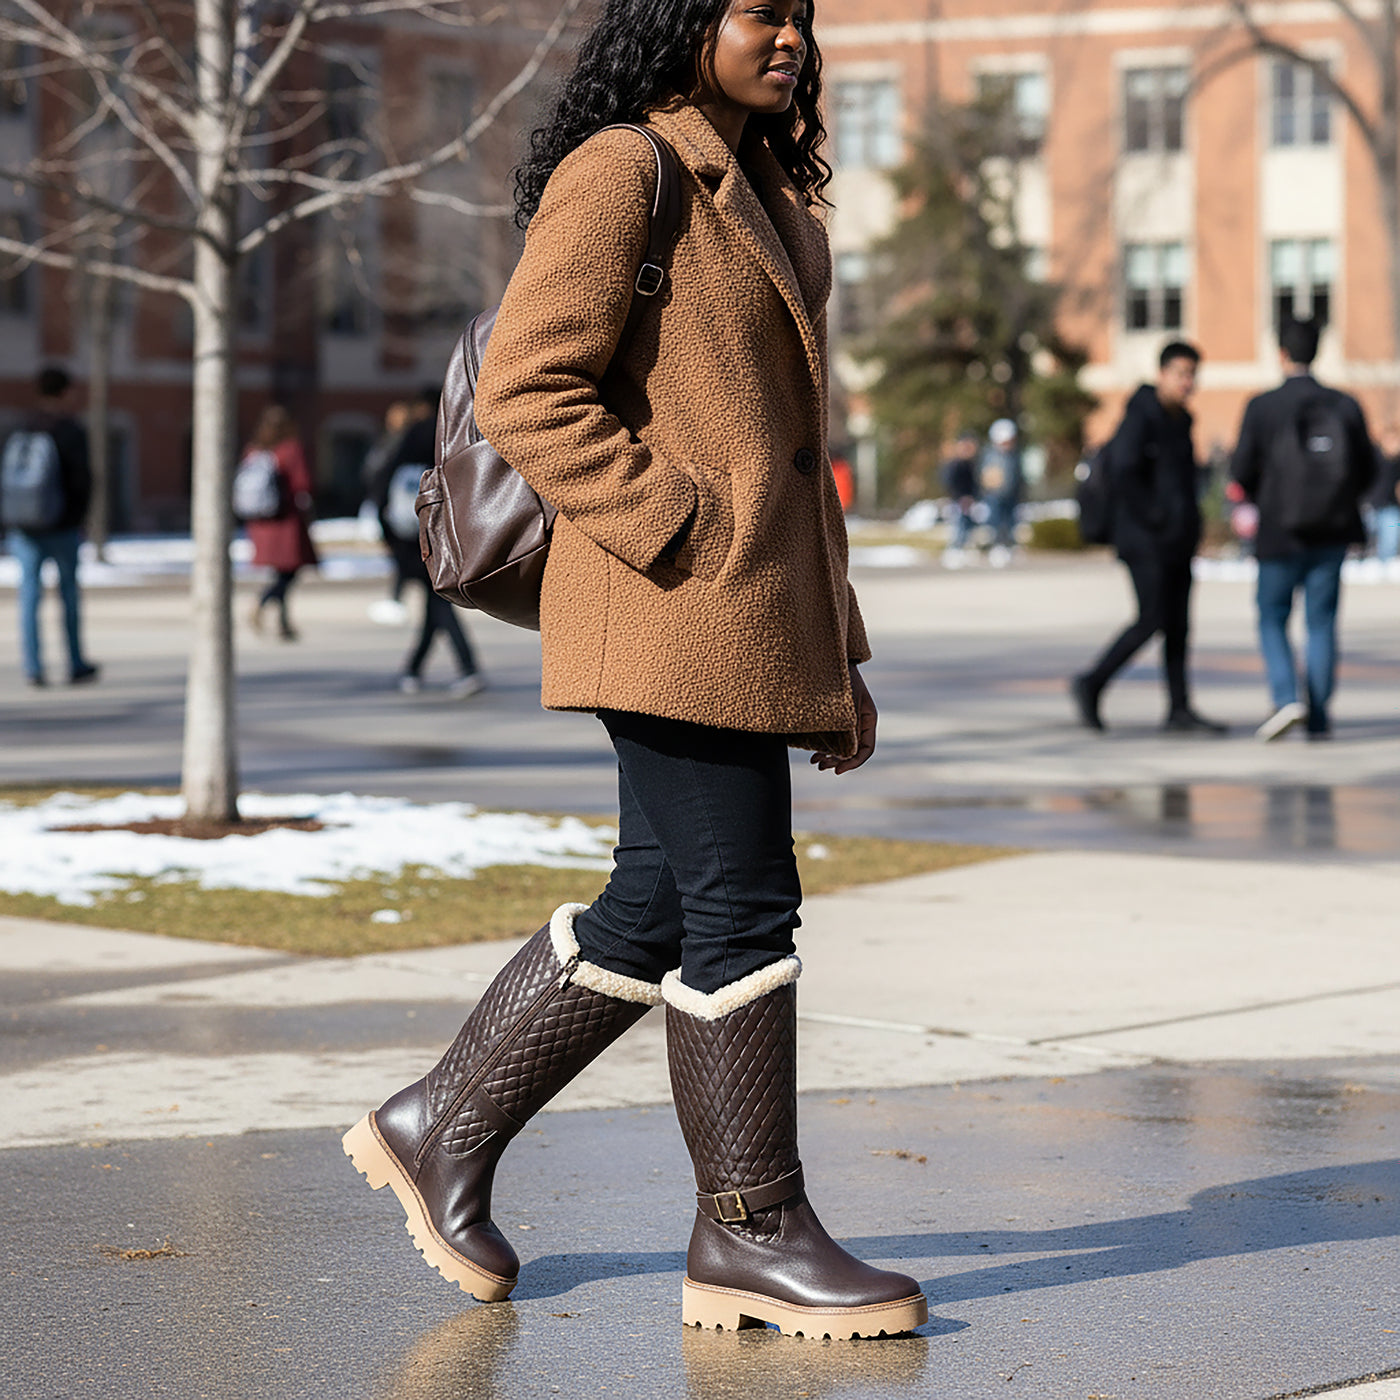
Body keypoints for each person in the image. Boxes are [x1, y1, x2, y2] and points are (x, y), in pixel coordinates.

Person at [341, 0, 927, 1342]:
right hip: (668, 603)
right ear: (682, 21)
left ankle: (438, 1127)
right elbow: (530, 389)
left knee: (656, 908)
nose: (788, 36)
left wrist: (836, 649)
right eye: (759, 12)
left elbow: (789, 464)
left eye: (801, 16)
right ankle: (750, 1229)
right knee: (742, 903)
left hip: (733, 612)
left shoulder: (763, 189)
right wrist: (678, 526)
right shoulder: (628, 169)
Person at [1230, 318, 1376, 742]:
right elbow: (1367, 469)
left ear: (1280, 353)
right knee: (1322, 622)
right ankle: (1318, 713)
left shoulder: (1263, 406)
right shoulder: (1344, 405)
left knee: (1272, 617)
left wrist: (1264, 499)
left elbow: (1241, 469)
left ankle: (1285, 695)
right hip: (1331, 531)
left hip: (1278, 532)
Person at [1071, 341, 1225, 734]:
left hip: (1177, 539)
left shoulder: (1183, 421)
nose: (1187, 383)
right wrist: (1157, 518)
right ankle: (1093, 682)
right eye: (1181, 374)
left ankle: (1179, 708)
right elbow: (1124, 474)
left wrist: (1189, 524)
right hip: (1144, 539)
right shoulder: (1140, 416)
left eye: (1192, 375)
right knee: (1152, 617)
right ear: (1162, 374)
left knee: (1178, 625)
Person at [371, 387, 483, 696]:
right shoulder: (453, 433)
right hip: (443, 532)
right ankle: (426, 669)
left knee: (437, 604)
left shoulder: (413, 436)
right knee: (437, 603)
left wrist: (388, 533)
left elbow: (386, 482)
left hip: (414, 533)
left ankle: (458, 669)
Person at [2, 366, 99, 687]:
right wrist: (79, 517)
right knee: (68, 594)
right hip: (62, 527)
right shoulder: (70, 430)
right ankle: (74, 661)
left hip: (25, 527)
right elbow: (83, 480)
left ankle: (33, 666)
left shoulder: (22, 428)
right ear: (65, 391)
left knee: (29, 597)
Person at [243, 405, 318, 640]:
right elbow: (303, 483)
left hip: (261, 524)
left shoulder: (254, 449)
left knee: (282, 573)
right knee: (289, 573)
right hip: (286, 522)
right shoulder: (290, 449)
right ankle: (263, 602)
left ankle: (284, 623)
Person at [361, 399, 414, 624]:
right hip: (398, 508)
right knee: (406, 559)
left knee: (406, 559)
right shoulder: (394, 443)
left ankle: (397, 598)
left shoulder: (398, 443)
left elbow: (374, 472)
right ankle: (397, 598)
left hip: (402, 509)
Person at [979, 419, 1022, 567]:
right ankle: (997, 546)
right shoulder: (990, 455)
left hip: (1010, 495)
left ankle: (1008, 546)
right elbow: (986, 477)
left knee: (1010, 522)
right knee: (996, 522)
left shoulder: (1013, 456)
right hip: (995, 496)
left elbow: (1017, 477)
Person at [940, 429, 980, 566]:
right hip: (959, 501)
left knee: (967, 526)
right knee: (959, 525)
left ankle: (963, 548)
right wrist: (960, 497)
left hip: (968, 501)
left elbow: (974, 484)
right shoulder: (956, 464)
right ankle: (954, 550)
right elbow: (951, 483)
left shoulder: (971, 464)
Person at [1369, 422, 1400, 563]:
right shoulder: (1373, 455)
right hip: (1369, 504)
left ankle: (1385, 566)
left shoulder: (1397, 461)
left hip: (1390, 506)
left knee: (1390, 541)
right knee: (1365, 540)